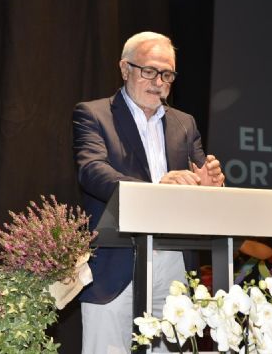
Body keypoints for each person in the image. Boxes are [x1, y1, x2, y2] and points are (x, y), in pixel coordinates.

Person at [72, 31, 225, 353]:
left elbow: (198, 178)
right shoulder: (94, 114)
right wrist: (155, 191)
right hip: (115, 261)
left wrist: (209, 185)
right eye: (150, 71)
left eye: (167, 74)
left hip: (173, 262)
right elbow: (93, 171)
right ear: (125, 69)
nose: (159, 81)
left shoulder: (185, 124)